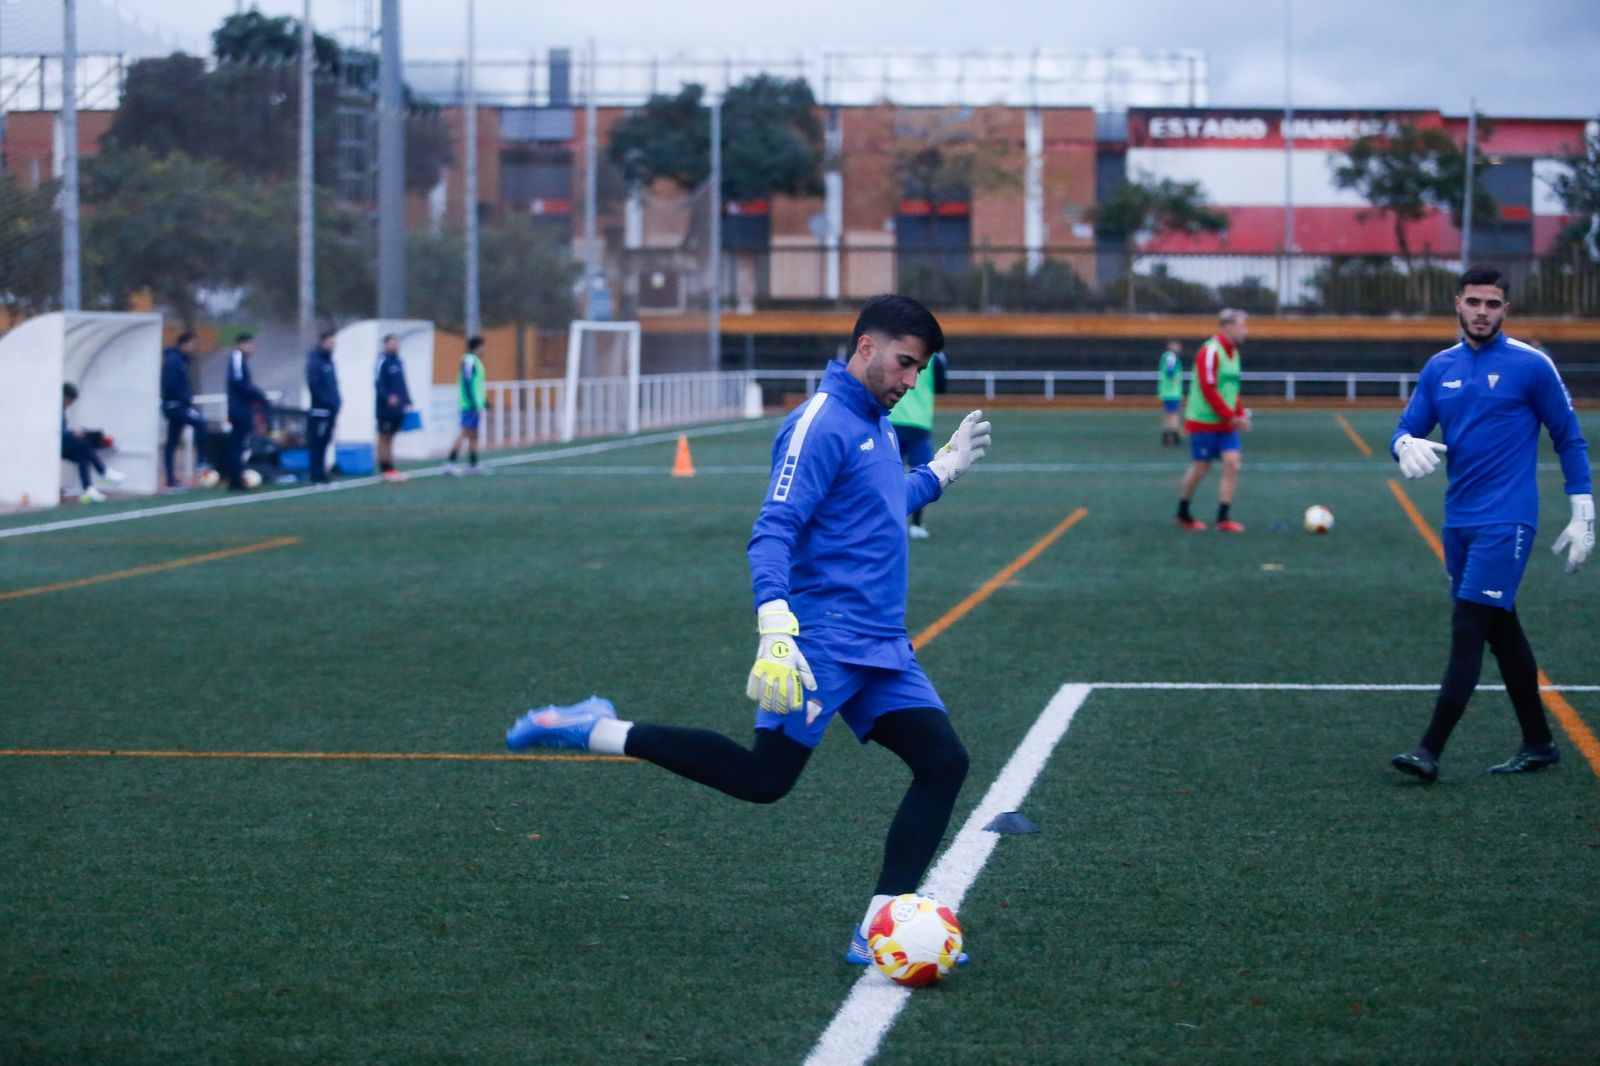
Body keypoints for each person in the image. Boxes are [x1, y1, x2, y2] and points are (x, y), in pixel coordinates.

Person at [503, 294, 992, 966]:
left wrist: (938, 474)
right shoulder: (820, 423)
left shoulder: (876, 422)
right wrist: (775, 627)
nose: (911, 380)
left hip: (880, 643)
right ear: (866, 348)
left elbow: (877, 509)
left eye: (920, 369)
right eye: (905, 363)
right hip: (822, 639)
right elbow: (774, 529)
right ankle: (593, 728)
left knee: (943, 763)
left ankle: (879, 926)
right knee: (765, 779)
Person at [1389, 266, 1592, 783]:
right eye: (1474, 302)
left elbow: (1569, 437)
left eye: (1493, 304)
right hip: (1458, 521)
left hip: (1508, 520)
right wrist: (1402, 445)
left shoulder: (1532, 366)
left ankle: (1428, 750)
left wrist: (1583, 513)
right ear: (1458, 303)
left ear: (1506, 310)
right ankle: (1540, 743)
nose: (1482, 311)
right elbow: (1408, 427)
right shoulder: (1439, 368)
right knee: (1503, 631)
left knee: (1468, 627)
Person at [1176, 309, 1250, 532]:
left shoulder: (1234, 353)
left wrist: (1240, 413)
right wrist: (1232, 416)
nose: (1246, 330)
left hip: (1226, 424)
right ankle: (1183, 512)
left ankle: (1223, 518)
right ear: (1228, 326)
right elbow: (1209, 389)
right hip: (1204, 421)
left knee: (1232, 463)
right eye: (1242, 325)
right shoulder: (1210, 351)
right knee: (1201, 467)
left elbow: (1231, 390)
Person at [888, 347, 947, 538]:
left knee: (888, 473)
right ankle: (917, 524)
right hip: (919, 422)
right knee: (923, 472)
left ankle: (888, 521)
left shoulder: (892, 350)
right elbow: (942, 387)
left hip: (893, 419)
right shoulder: (935, 358)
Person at [160, 331, 212, 490]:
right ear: (184, 344)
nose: (194, 348)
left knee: (172, 442)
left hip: (177, 404)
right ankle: (201, 461)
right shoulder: (174, 361)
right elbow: (170, 385)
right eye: (192, 344)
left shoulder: (180, 361)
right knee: (200, 422)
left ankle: (171, 480)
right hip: (175, 405)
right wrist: (184, 398)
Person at [61, 382, 125, 503]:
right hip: (55, 446)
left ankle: (88, 488)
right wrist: (72, 434)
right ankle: (103, 472)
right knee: (84, 443)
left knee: (83, 454)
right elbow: (56, 432)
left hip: (62, 444)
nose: (70, 404)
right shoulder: (55, 408)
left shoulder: (61, 410)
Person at [224, 333, 269, 491]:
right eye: (249, 344)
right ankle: (235, 479)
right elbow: (239, 382)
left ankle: (237, 477)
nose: (252, 348)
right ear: (240, 344)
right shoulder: (237, 358)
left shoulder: (241, 360)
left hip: (242, 407)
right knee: (237, 443)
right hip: (239, 408)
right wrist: (258, 395)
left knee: (240, 443)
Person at [444, 336, 489, 476]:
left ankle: (473, 464)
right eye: (483, 346)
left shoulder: (476, 361)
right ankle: (449, 463)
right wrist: (472, 403)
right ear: (478, 346)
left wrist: (484, 402)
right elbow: (467, 382)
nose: (484, 349)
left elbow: (477, 385)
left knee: (474, 435)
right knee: (464, 433)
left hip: (475, 404)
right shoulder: (469, 360)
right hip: (469, 405)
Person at [375, 333, 411, 483]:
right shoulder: (382, 361)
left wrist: (407, 399)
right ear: (385, 345)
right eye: (391, 343)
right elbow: (377, 383)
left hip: (398, 408)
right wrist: (387, 397)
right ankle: (385, 469)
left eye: (396, 343)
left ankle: (390, 468)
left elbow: (402, 383)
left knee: (391, 437)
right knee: (384, 437)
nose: (394, 346)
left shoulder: (398, 361)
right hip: (385, 408)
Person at [305, 330, 340, 485]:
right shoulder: (315, 361)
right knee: (317, 442)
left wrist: (337, 402)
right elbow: (314, 385)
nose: (332, 345)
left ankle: (322, 473)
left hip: (330, 409)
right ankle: (316, 474)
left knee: (325, 441)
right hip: (320, 410)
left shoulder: (329, 360)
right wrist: (326, 402)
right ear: (322, 342)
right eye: (330, 342)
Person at [1157, 339, 1185, 447]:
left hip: (1166, 391)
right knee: (1174, 413)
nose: (1179, 347)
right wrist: (1173, 378)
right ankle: (1174, 435)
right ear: (1172, 346)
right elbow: (1170, 370)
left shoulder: (1166, 356)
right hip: (1172, 392)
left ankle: (1166, 435)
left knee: (1168, 413)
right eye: (1177, 345)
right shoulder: (1171, 356)